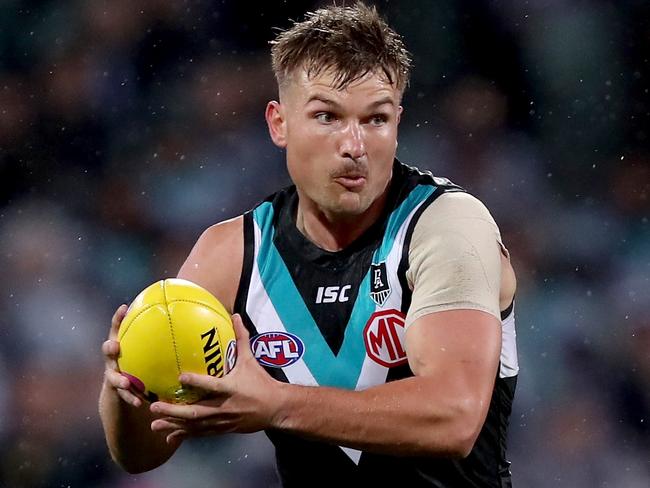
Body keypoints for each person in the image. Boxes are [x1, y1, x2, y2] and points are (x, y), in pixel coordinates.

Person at [99, 3, 519, 486]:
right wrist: (126, 395)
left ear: (398, 123)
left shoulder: (446, 226)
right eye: (327, 116)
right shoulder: (232, 253)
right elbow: (140, 453)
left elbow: (454, 417)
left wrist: (276, 405)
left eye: (376, 119)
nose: (354, 145)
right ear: (279, 124)